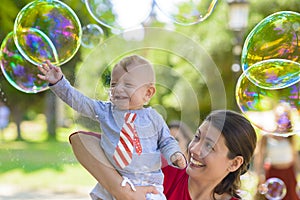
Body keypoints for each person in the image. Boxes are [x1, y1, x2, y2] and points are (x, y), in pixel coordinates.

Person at [37, 55, 186, 200]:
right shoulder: (105, 111)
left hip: (147, 185)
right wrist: (59, 83)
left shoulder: (153, 118)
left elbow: (167, 141)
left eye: (128, 84)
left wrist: (174, 154)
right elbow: (80, 102)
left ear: (148, 93)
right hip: (114, 181)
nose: (118, 89)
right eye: (114, 84)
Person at [69, 109, 258, 200]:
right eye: (197, 137)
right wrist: (122, 190)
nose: (194, 149)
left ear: (234, 164)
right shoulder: (162, 171)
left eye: (209, 146)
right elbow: (81, 140)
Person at [254, 102, 300, 200]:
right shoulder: (266, 135)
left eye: (285, 116)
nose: (283, 118)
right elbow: (260, 158)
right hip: (273, 174)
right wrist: (260, 176)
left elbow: (295, 157)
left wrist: (298, 175)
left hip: (289, 173)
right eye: (280, 116)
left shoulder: (291, 136)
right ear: (275, 116)